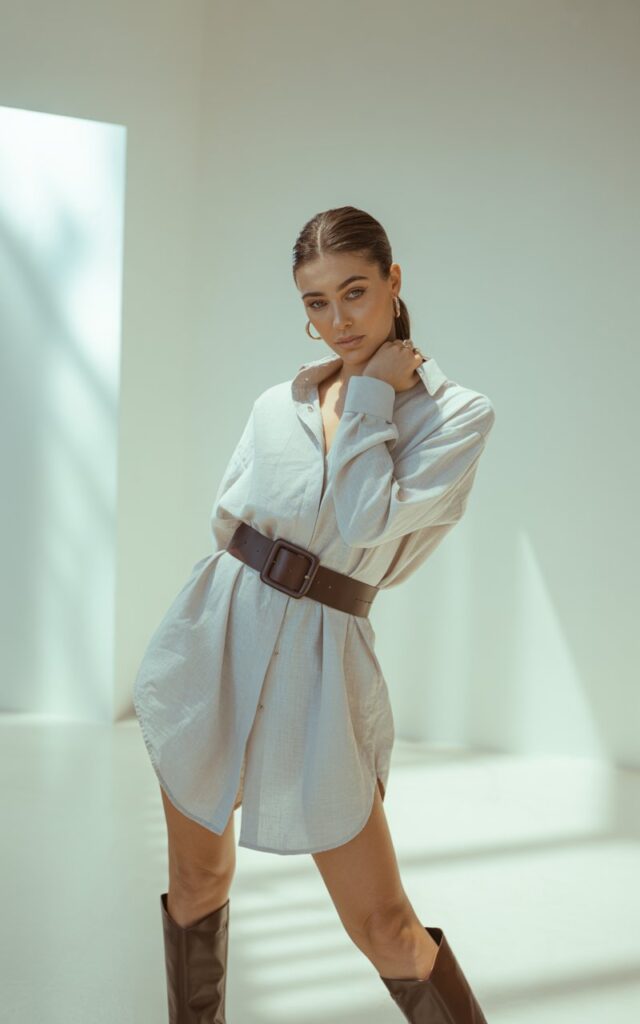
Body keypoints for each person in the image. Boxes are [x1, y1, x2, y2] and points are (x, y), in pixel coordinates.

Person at [133, 205, 495, 1023]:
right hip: (213, 639)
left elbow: (366, 524)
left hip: (324, 662)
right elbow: (229, 519)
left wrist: (372, 395)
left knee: (386, 926)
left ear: (395, 281)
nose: (337, 321)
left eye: (356, 293)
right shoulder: (278, 403)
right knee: (197, 882)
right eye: (316, 303)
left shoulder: (457, 416)